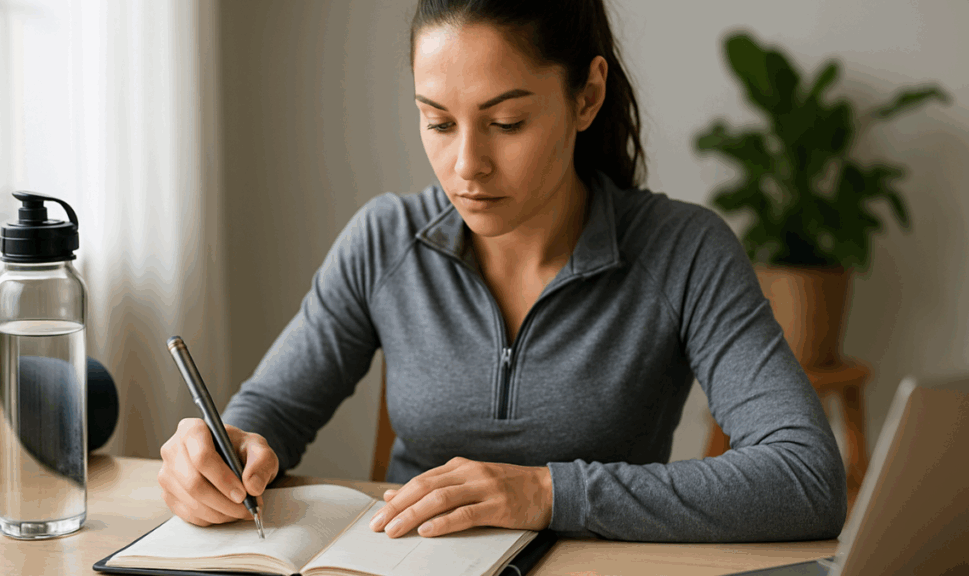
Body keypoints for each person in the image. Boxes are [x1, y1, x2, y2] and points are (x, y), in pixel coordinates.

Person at [158, 0, 847, 542]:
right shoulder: (385, 239)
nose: (467, 167)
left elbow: (806, 478)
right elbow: (269, 416)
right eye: (438, 122)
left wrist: (545, 494)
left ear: (586, 95)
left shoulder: (684, 250)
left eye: (507, 123)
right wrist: (221, 455)